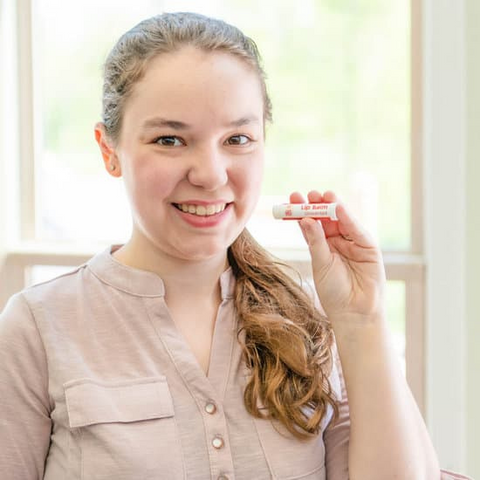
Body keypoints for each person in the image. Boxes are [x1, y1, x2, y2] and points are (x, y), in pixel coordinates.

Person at [0, 12, 472, 480]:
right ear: (109, 150)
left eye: (238, 139)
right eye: (170, 139)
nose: (210, 173)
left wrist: (361, 320)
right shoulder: (38, 328)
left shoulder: (310, 322)